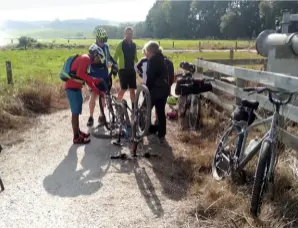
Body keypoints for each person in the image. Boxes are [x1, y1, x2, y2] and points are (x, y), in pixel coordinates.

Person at [64, 44, 103, 144]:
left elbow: (87, 80)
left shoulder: (87, 61)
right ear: (94, 54)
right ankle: (76, 137)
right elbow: (80, 74)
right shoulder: (85, 58)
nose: (98, 60)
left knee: (77, 111)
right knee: (75, 113)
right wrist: (94, 79)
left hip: (76, 88)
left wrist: (98, 91)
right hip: (71, 88)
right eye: (98, 57)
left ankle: (78, 132)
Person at [87, 27, 118, 127]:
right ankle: (91, 117)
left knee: (103, 96)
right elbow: (93, 63)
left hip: (104, 75)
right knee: (93, 97)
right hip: (95, 76)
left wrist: (114, 64)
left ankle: (101, 115)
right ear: (97, 39)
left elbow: (108, 57)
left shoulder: (106, 46)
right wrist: (104, 65)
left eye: (104, 40)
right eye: (101, 41)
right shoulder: (92, 48)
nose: (103, 43)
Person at [144, 41, 169, 144]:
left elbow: (150, 78)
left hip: (155, 90)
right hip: (164, 89)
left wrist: (147, 90)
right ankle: (161, 135)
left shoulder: (152, 60)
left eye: (146, 51)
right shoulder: (162, 58)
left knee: (144, 109)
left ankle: (146, 130)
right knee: (161, 112)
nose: (146, 53)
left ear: (150, 51)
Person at [113, 27, 138, 110]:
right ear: (124, 34)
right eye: (127, 33)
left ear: (132, 34)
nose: (129, 35)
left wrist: (139, 66)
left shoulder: (134, 45)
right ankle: (117, 105)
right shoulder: (120, 44)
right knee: (123, 89)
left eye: (130, 34)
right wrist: (114, 67)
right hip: (123, 70)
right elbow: (115, 57)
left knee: (132, 90)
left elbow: (135, 57)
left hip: (131, 70)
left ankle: (134, 108)